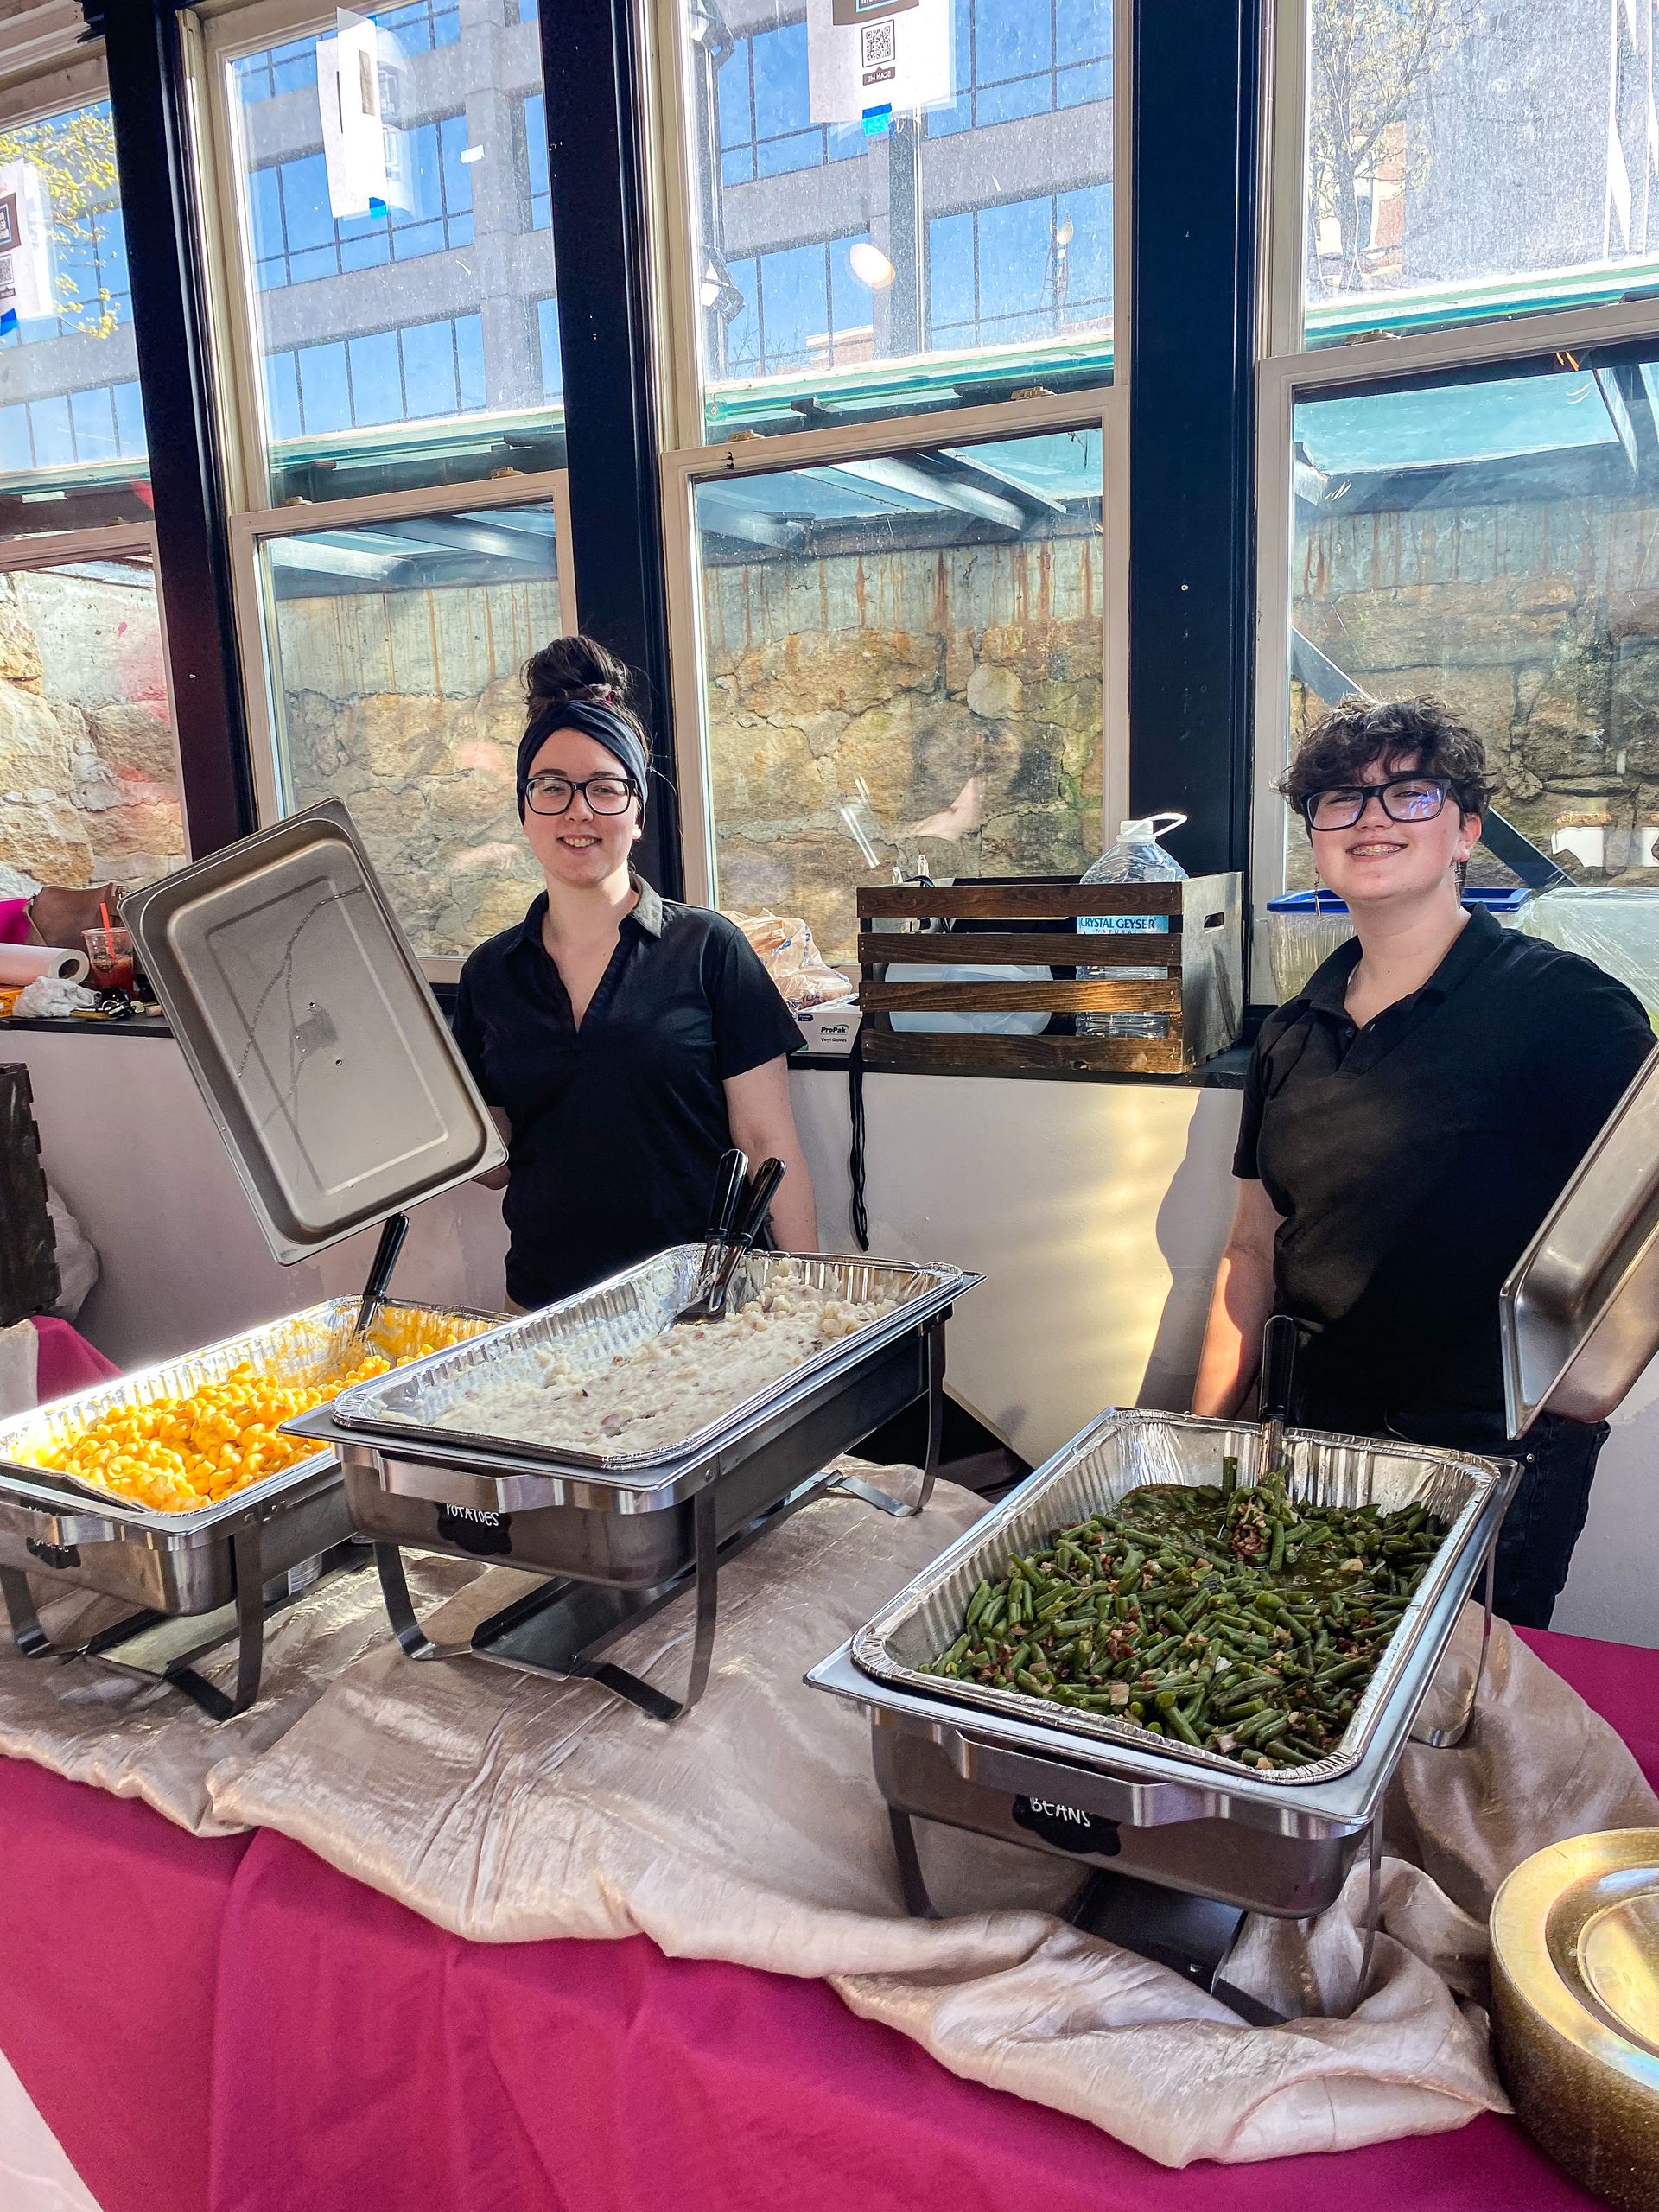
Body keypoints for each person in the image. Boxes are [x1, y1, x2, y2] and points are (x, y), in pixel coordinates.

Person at [1192, 695, 1656, 1628]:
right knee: (1304, 1692)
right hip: (1315, 1439)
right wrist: (1198, 1441)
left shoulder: (1564, 1007)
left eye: (1408, 793)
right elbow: (1252, 1251)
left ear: (1465, 832)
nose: (1370, 817)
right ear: (1316, 841)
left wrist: (1577, 1401)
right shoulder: (1291, 1032)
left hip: (1489, 1461)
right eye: (1340, 799)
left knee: (1462, 1727)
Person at [452, 635, 818, 1310]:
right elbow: (495, 1167)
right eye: (552, 788)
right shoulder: (489, 974)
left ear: (638, 812)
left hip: (703, 1309)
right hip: (546, 1309)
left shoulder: (709, 948)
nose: (579, 811)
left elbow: (768, 1143)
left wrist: (796, 1305)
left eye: (605, 788)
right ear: (525, 811)